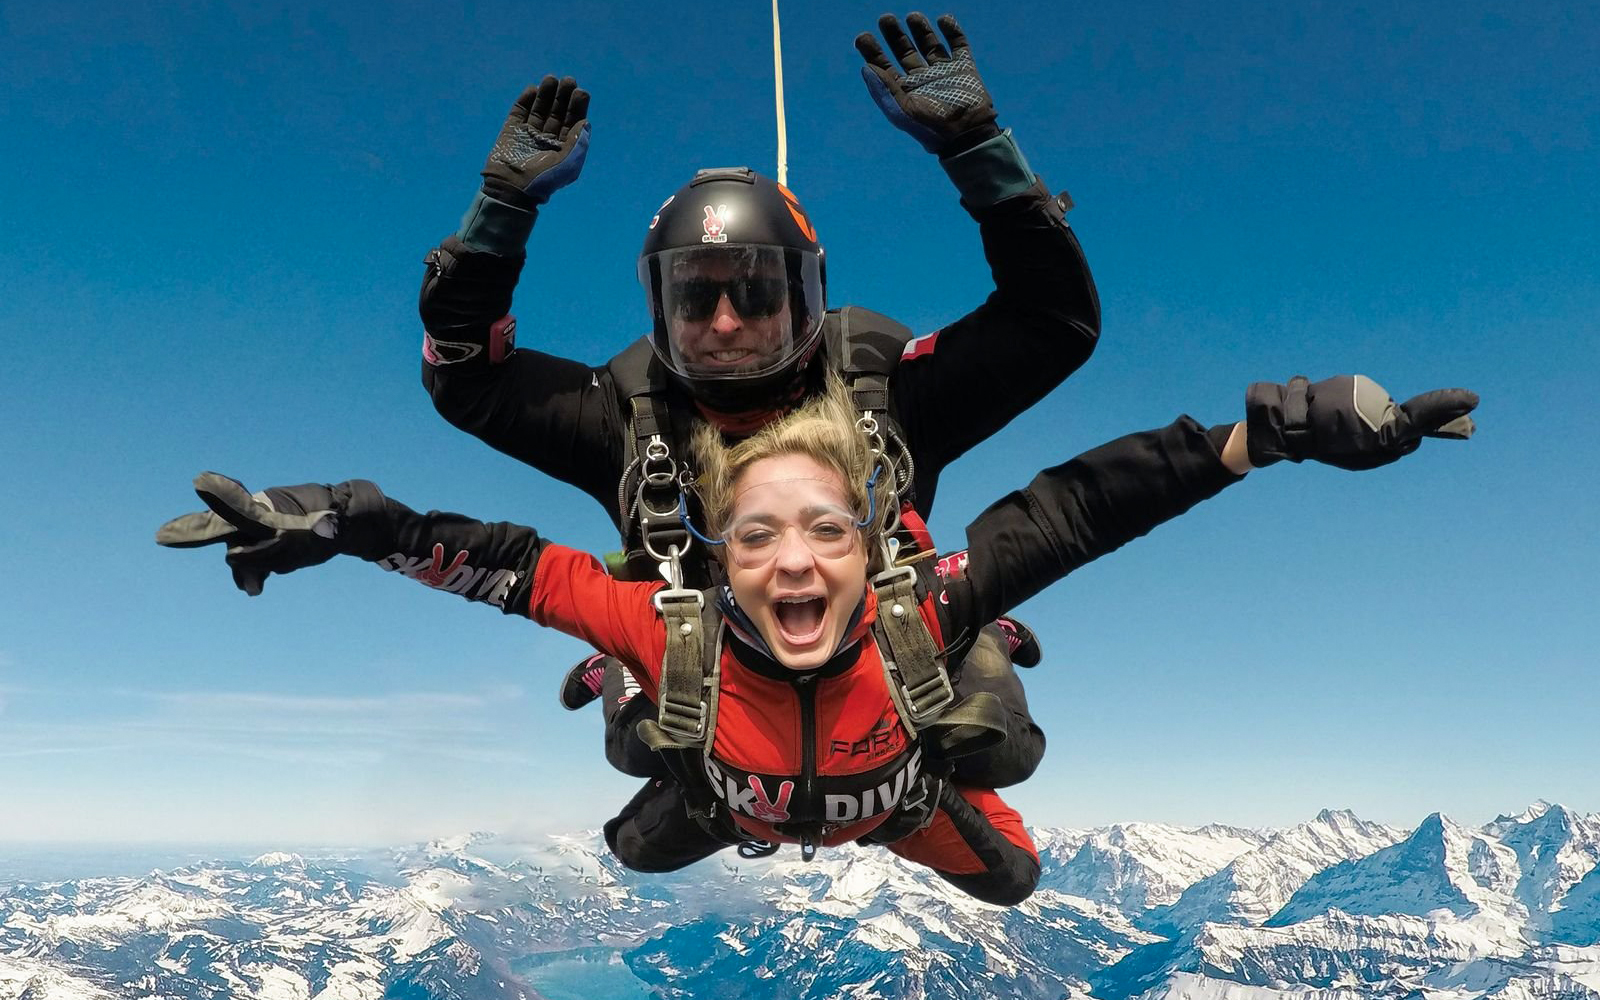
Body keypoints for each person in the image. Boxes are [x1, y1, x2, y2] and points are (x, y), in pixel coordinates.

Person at [156, 372, 1478, 905]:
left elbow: (1081, 507)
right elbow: (495, 561)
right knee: (634, 838)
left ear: (875, 545)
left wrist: (1276, 434)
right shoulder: (662, 616)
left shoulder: (925, 608)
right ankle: (646, 721)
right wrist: (346, 522)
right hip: (733, 789)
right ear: (717, 551)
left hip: (892, 798)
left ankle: (963, 708)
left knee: (1013, 867)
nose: (793, 559)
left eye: (829, 532)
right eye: (758, 536)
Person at [418, 13, 1096, 790]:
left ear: (806, 299)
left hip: (881, 636)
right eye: (696, 299)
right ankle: (623, 665)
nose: (727, 322)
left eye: (755, 291)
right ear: (659, 313)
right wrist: (500, 211)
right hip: (701, 650)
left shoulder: (880, 390)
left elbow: (1052, 325)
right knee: (654, 750)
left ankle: (975, 623)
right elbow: (466, 377)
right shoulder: (626, 415)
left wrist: (980, 152)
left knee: (995, 744)